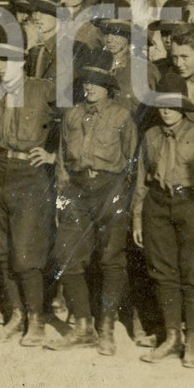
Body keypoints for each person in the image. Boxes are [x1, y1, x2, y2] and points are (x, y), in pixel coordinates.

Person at [0, 41, 59, 346]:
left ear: (22, 62)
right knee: (0, 250)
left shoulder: (43, 90)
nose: (1, 68)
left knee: (25, 251)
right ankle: (16, 315)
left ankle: (37, 320)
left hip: (30, 176)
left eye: (7, 62)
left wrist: (53, 154)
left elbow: (73, 121)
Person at [131, 72, 194, 369]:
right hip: (157, 205)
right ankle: (172, 338)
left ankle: (193, 340)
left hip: (191, 204)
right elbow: (141, 182)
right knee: (163, 272)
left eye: (172, 104)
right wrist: (137, 219)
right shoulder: (151, 136)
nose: (166, 110)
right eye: (162, 104)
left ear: (183, 106)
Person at [49, 56, 137, 355]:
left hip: (109, 188)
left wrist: (122, 196)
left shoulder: (122, 117)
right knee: (65, 255)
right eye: (87, 81)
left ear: (108, 88)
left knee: (111, 259)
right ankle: (83, 326)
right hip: (77, 188)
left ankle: (107, 328)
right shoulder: (73, 115)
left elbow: (132, 160)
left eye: (97, 83)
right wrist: (63, 193)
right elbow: (62, 159)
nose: (90, 87)